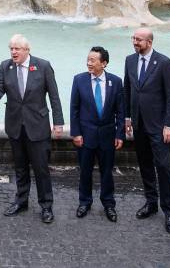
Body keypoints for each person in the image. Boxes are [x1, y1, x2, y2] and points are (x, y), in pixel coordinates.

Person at [0, 34, 64, 224]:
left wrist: (58, 123)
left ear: (27, 50)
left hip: (38, 126)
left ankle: (46, 205)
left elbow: (54, 96)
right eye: (11, 48)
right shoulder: (5, 66)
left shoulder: (43, 66)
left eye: (17, 49)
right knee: (20, 167)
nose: (13, 52)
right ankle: (21, 200)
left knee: (41, 169)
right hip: (15, 125)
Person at [124, 27, 170, 234]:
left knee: (163, 168)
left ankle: (169, 211)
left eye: (139, 39)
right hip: (138, 125)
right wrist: (128, 117)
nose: (135, 42)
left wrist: (169, 125)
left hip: (158, 127)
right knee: (145, 165)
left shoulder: (164, 63)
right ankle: (151, 202)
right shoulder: (130, 60)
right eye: (134, 38)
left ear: (149, 42)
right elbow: (127, 89)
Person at [69, 46, 124, 221]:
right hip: (85, 136)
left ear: (104, 63)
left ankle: (109, 204)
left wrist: (120, 134)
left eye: (93, 60)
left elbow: (120, 111)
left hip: (108, 135)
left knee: (107, 172)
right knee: (85, 171)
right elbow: (74, 109)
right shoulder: (79, 80)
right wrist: (76, 133)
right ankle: (84, 202)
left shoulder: (116, 82)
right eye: (88, 59)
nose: (89, 63)